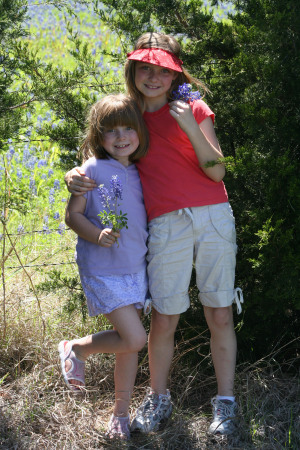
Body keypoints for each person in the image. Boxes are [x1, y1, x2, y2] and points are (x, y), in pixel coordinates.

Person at [64, 32, 244, 436]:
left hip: (214, 215)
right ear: (132, 71)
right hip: (165, 224)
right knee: (165, 317)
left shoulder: (194, 106)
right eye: (144, 67)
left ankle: (226, 403)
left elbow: (217, 171)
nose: (152, 76)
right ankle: (158, 397)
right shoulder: (132, 114)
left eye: (162, 69)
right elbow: (105, 147)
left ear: (175, 72)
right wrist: (75, 173)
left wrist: (189, 126)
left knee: (218, 312)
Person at [58, 93, 150, 440]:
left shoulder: (143, 170)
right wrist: (97, 236)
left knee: (128, 345)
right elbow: (73, 216)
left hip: (135, 268)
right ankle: (76, 349)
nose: (121, 136)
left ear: (140, 131)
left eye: (129, 128)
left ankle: (120, 416)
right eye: (111, 131)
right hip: (103, 267)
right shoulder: (91, 170)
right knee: (135, 338)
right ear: (98, 137)